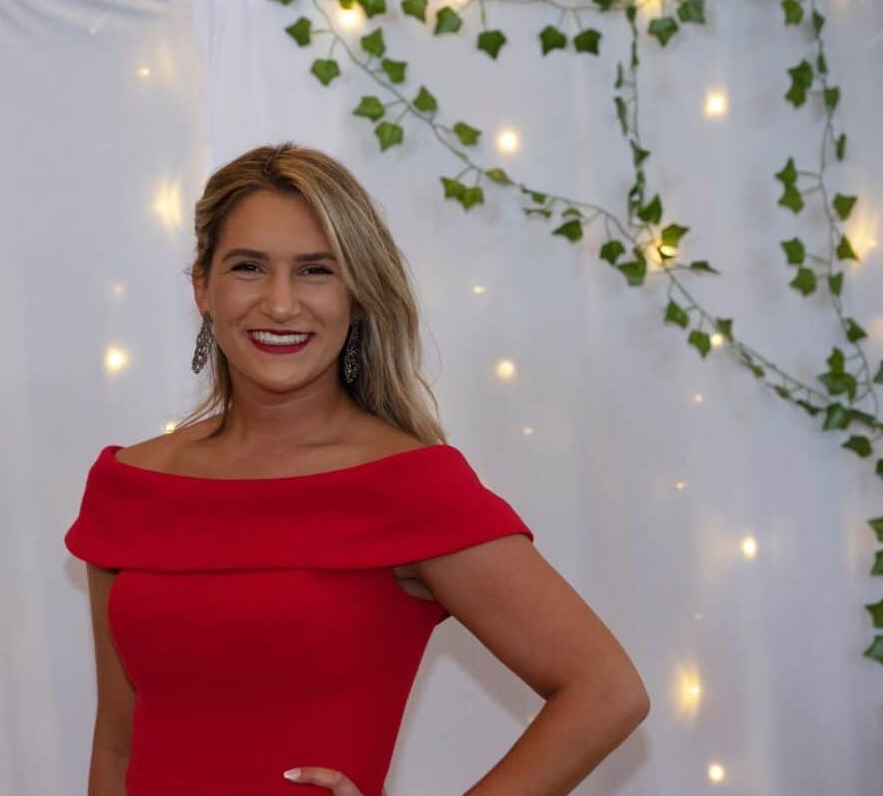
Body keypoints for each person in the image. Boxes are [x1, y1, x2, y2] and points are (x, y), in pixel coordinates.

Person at [65, 142, 650, 796]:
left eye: (316, 270)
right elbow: (116, 745)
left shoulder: (408, 486)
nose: (280, 303)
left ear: (357, 292)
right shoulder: (132, 486)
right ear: (202, 285)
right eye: (249, 267)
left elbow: (605, 690)